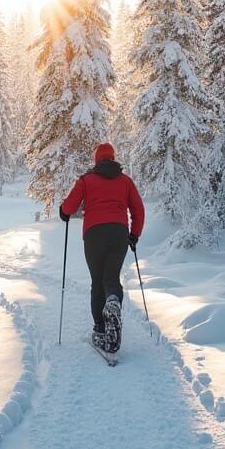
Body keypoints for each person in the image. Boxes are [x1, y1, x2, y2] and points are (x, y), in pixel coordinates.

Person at [59, 143, 145, 353]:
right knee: (112, 279)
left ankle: (100, 328)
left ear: (97, 160)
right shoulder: (125, 181)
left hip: (94, 235)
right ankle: (114, 302)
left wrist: (64, 212)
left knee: (97, 281)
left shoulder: (86, 180)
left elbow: (69, 207)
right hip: (118, 234)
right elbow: (138, 210)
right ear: (113, 158)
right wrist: (134, 235)